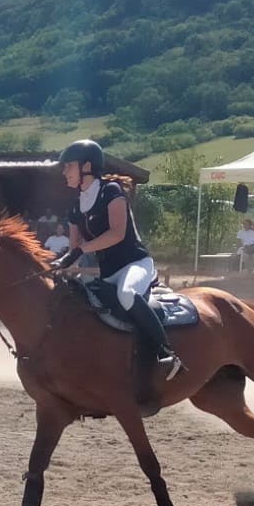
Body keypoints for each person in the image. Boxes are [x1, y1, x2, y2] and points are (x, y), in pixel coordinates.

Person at [51, 137, 179, 389]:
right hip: (107, 272)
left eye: (68, 166)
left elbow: (117, 234)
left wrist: (78, 251)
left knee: (127, 294)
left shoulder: (112, 191)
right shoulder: (75, 207)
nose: (64, 171)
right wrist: (58, 264)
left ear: (87, 166)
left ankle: (167, 353)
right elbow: (74, 248)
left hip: (136, 264)